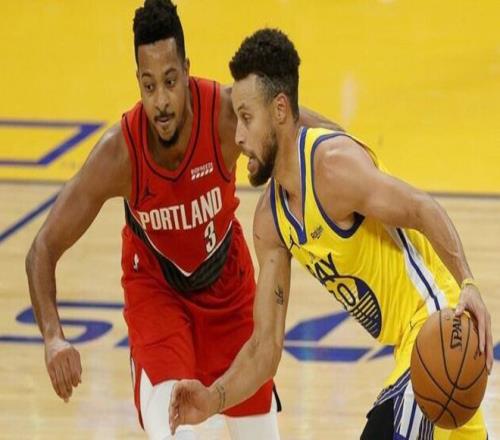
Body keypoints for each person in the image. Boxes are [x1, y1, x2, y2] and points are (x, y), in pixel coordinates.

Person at [25, 2, 340, 439]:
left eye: (170, 82)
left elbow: (303, 129)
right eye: (149, 85)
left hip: (228, 287)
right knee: (177, 434)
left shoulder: (225, 115)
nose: (160, 101)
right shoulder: (120, 153)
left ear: (187, 71)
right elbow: (42, 249)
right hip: (158, 296)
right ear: (138, 81)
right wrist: (53, 337)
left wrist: (354, 158)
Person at [168, 29, 493, 439]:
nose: (238, 138)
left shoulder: (333, 167)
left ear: (280, 110)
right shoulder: (271, 222)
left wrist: (468, 284)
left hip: (436, 327)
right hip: (411, 353)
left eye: (247, 118)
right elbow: (265, 348)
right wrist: (212, 400)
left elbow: (421, 208)